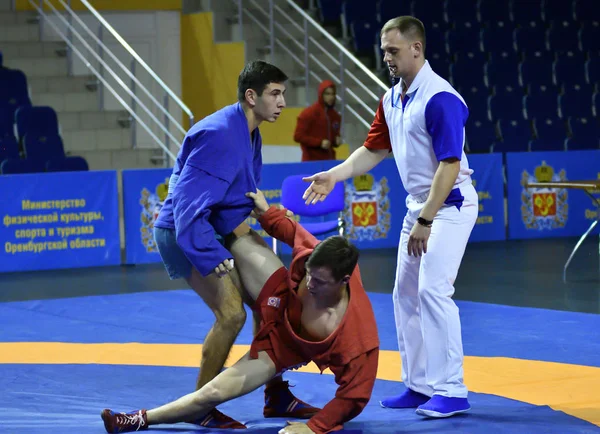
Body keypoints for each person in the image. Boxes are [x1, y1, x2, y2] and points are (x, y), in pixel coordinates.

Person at [302, 16, 478, 418]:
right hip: (420, 206)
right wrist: (334, 173)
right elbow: (374, 150)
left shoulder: (440, 98)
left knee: (434, 291)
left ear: (417, 48)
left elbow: (450, 165)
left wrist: (427, 220)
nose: (386, 58)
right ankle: (418, 385)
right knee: (405, 295)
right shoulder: (392, 98)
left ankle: (451, 390)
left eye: (393, 51)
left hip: (449, 206)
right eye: (383, 51)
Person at [101, 189, 380, 434]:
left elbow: (354, 396)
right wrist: (266, 213)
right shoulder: (320, 258)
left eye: (319, 282)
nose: (310, 283)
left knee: (212, 393)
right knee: (238, 232)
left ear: (344, 281)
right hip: (279, 295)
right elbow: (294, 233)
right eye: (308, 275)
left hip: (280, 349)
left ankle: (136, 419)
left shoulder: (357, 335)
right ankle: (192, 211)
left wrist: (314, 427)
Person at [152, 60, 318, 429]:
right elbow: (185, 208)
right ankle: (198, 408)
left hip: (213, 227)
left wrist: (266, 216)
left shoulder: (249, 131)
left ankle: (275, 395)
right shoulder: (220, 134)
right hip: (186, 233)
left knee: (272, 298)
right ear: (251, 96)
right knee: (232, 315)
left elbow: (234, 197)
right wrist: (212, 255)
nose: (282, 102)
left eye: (283, 94)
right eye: (275, 94)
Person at [293, 80, 342, 161]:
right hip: (311, 162)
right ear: (321, 94)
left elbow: (333, 138)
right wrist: (319, 143)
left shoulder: (335, 116)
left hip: (330, 162)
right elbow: (298, 136)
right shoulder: (309, 113)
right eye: (327, 94)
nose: (331, 97)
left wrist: (336, 141)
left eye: (333, 94)